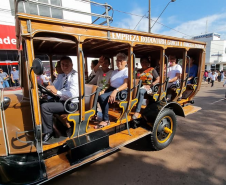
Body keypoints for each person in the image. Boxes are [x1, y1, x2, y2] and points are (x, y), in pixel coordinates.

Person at [41, 56, 79, 143]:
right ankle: (52, 128)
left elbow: (73, 94)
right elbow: (62, 89)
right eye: (62, 64)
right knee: (45, 101)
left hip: (72, 104)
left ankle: (48, 132)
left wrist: (57, 92)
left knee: (45, 107)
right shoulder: (65, 75)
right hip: (64, 101)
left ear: (72, 65)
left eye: (67, 65)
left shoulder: (74, 76)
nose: (64, 67)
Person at [95, 53, 128, 129]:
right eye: (117, 60)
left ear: (125, 62)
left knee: (103, 97)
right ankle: (95, 114)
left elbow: (126, 84)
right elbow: (109, 84)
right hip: (111, 89)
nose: (118, 62)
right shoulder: (114, 71)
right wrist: (104, 89)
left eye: (120, 60)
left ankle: (106, 120)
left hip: (121, 91)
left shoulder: (126, 71)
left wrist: (115, 91)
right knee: (96, 95)